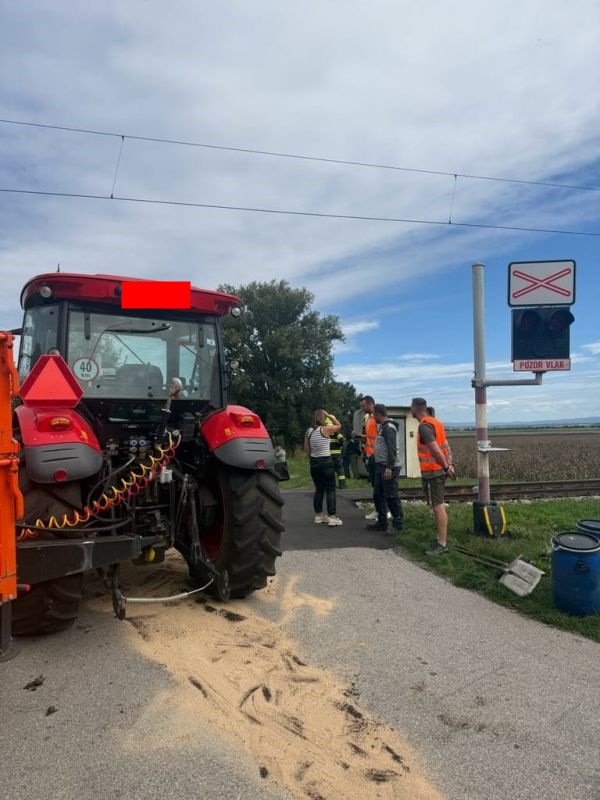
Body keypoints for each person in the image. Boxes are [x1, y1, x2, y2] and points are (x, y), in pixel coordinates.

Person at [410, 397, 455, 554]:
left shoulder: (424, 426)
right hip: (437, 470)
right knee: (436, 506)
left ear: (415, 408)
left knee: (437, 507)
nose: (411, 410)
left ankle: (442, 544)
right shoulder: (437, 423)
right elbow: (446, 446)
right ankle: (439, 539)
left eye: (411, 407)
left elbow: (435, 449)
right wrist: (449, 464)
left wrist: (446, 466)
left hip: (434, 472)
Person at [366, 404, 404, 533]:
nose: (373, 417)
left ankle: (398, 524)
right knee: (378, 494)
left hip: (388, 467)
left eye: (374, 415)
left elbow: (392, 449)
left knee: (391, 496)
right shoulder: (383, 427)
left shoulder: (388, 428)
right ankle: (382, 523)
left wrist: (389, 468)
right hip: (381, 465)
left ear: (378, 414)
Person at [304, 410, 343, 527]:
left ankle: (319, 515)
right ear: (323, 418)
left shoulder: (309, 431)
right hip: (326, 461)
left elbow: (307, 449)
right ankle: (332, 517)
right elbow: (339, 426)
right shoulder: (325, 429)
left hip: (314, 462)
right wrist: (330, 416)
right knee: (330, 489)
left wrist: (313, 457)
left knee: (319, 489)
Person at [360, 395, 377, 486]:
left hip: (377, 455)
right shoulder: (369, 418)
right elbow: (370, 436)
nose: (362, 409)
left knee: (379, 484)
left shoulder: (377, 418)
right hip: (370, 455)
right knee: (374, 484)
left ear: (370, 404)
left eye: (363, 406)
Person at [325, 414, 346, 489]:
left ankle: (331, 486)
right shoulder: (336, 432)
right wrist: (339, 444)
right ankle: (342, 485)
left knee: (330, 470)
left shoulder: (324, 432)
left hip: (328, 455)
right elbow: (343, 440)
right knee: (340, 470)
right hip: (337, 455)